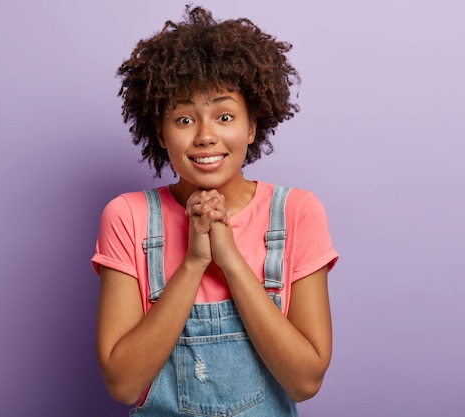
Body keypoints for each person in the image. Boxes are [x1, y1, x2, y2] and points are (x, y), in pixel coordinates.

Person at [91, 5, 339, 416]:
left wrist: (230, 260)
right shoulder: (128, 216)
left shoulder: (297, 212)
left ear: (252, 126)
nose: (206, 136)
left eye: (224, 116)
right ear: (160, 132)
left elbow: (305, 380)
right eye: (185, 118)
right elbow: (123, 383)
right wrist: (194, 262)